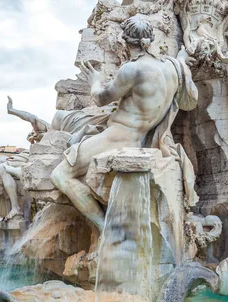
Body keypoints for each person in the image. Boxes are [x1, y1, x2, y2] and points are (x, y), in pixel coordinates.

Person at [51, 15, 198, 232]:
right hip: (142, 137)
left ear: (124, 41)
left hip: (119, 137)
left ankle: (105, 229)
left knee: (60, 175)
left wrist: (96, 80)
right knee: (72, 127)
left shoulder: (132, 69)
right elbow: (185, 94)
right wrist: (183, 57)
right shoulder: (173, 68)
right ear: (151, 38)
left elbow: (101, 98)